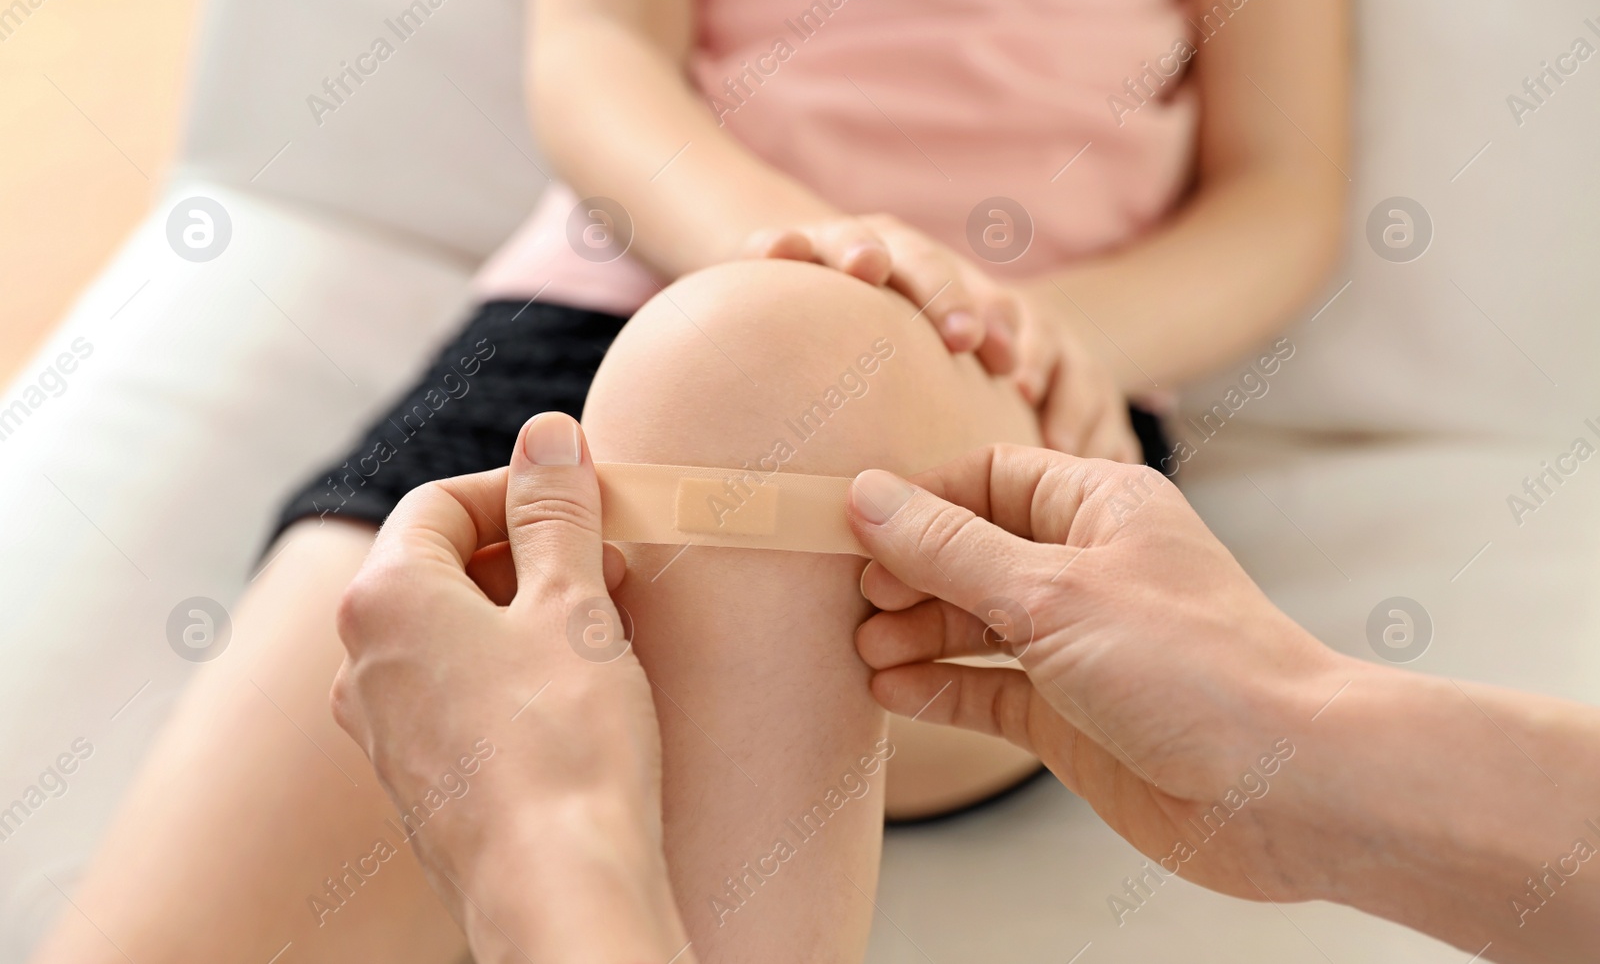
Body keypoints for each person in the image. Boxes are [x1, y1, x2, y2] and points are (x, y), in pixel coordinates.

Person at [28, 0, 1347, 961]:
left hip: (1012, 386)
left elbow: (1281, 192)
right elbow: (592, 50)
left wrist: (1018, 332)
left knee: (759, 351)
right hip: (588, 323)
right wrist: (792, 260)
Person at [336, 414, 1600, 964]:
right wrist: (1289, 747)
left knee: (738, 358)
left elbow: (1276, 196)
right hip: (558, 318)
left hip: (916, 344)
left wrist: (539, 861)